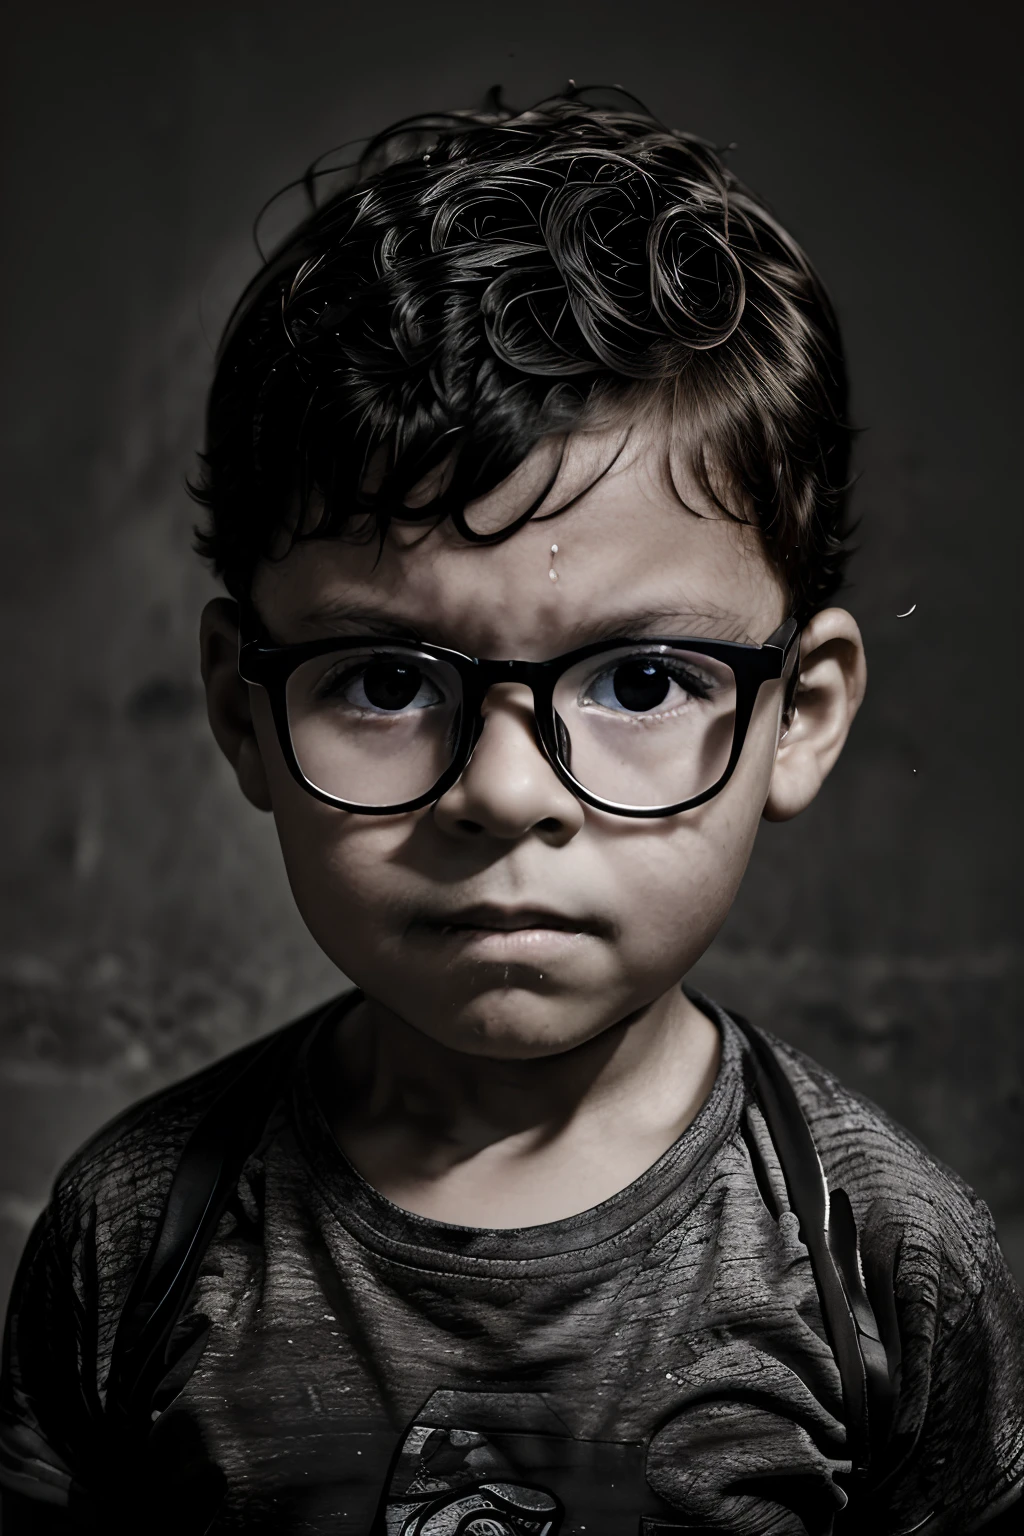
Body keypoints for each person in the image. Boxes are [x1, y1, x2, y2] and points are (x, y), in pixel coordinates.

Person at [1, 89, 1021, 1535]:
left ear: (798, 715)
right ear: (243, 708)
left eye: (645, 678)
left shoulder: (886, 1265)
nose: (501, 789)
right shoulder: (135, 1240)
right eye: (385, 679)